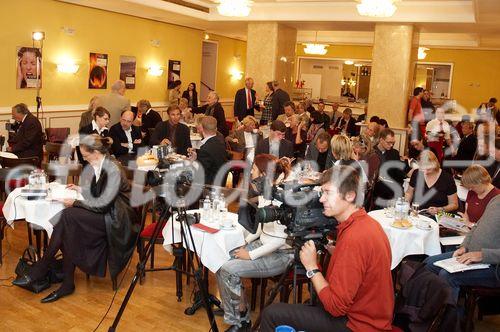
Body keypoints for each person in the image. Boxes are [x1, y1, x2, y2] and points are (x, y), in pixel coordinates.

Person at [261, 166, 394, 332]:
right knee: (310, 304)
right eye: (321, 192)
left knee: (272, 314)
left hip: (357, 325)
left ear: (350, 195)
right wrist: (337, 252)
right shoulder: (368, 224)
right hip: (372, 316)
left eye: (328, 192)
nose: (322, 199)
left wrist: (311, 268)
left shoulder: (354, 238)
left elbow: (335, 307)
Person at [12, 135, 139, 302]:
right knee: (68, 223)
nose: (84, 160)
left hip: (117, 220)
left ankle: (44, 271)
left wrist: (75, 202)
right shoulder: (100, 164)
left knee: (67, 216)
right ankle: (64, 282)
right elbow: (99, 194)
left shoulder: (112, 168)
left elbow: (102, 204)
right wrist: (80, 189)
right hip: (107, 212)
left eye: (85, 156)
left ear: (96, 152)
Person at [217, 154, 293, 332]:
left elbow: (280, 240)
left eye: (254, 170)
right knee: (221, 260)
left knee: (228, 269)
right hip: (264, 245)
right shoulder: (266, 194)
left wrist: (250, 254)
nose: (250, 172)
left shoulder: (281, 198)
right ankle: (238, 310)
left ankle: (240, 320)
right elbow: (261, 227)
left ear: (264, 174)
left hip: (281, 255)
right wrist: (245, 242)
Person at [424, 193, 500, 303]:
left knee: (448, 275)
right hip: (471, 253)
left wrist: (482, 255)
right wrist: (464, 246)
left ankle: (449, 317)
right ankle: (428, 308)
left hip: (494, 267)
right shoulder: (496, 199)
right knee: (429, 263)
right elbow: (477, 227)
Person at [405, 150, 458, 215]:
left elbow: (454, 204)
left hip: (437, 216)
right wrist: (406, 204)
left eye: (429, 169)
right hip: (416, 213)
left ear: (435, 164)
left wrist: (440, 209)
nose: (425, 172)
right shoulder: (417, 173)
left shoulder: (447, 178)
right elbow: (409, 193)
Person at [187, 116, 228, 185]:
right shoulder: (220, 141)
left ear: (202, 128)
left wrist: (192, 161)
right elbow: (212, 154)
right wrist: (197, 152)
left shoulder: (205, 149)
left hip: (208, 186)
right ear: (215, 128)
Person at [372, 128, 406, 207]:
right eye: (389, 143)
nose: (391, 145)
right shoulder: (372, 152)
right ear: (381, 140)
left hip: (390, 190)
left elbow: (398, 174)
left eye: (393, 143)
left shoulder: (394, 153)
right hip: (375, 190)